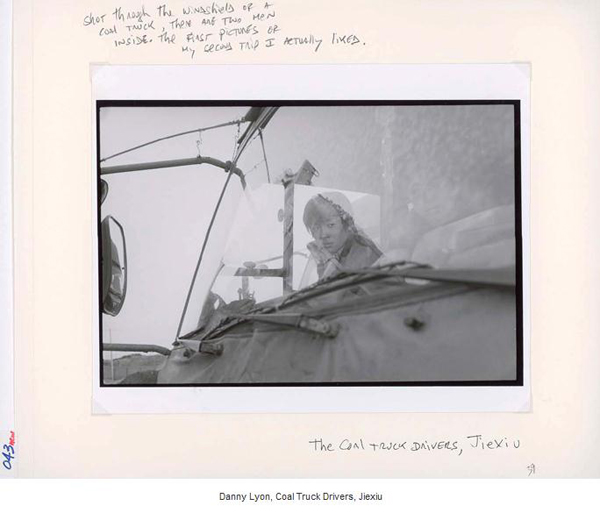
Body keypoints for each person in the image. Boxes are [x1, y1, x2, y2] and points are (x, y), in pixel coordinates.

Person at [302, 192, 382, 280]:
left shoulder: (365, 255)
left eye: (330, 225)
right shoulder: (321, 255)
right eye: (316, 228)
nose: (323, 234)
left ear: (346, 224)